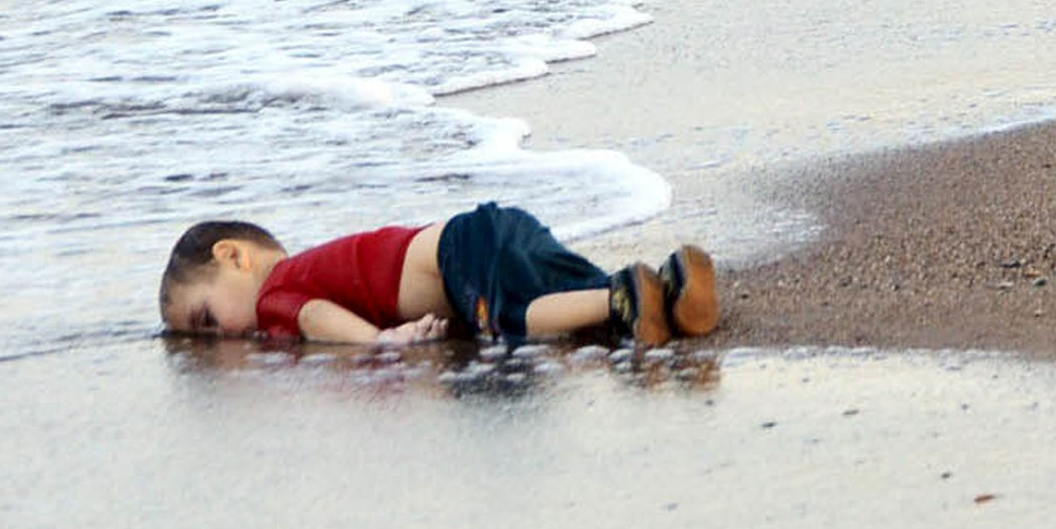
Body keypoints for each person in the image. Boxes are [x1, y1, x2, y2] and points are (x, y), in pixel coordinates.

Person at [159, 200, 719, 349]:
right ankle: (667, 288)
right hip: (490, 229)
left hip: (459, 253)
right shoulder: (310, 267)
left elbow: (314, 317)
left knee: (512, 321)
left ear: (234, 257)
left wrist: (378, 340)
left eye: (206, 320)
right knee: (568, 295)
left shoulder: (275, 293)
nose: (219, 336)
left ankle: (623, 297)